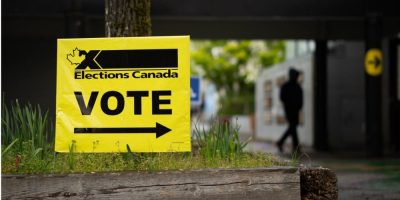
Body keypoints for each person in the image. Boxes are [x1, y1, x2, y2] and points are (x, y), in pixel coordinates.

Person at [276, 68, 303, 154]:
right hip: (289, 110)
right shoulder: (286, 86)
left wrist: (298, 106)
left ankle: (281, 142)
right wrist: (290, 104)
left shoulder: (297, 86)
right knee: (293, 127)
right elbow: (282, 97)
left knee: (292, 128)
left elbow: (300, 99)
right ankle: (296, 147)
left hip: (295, 110)